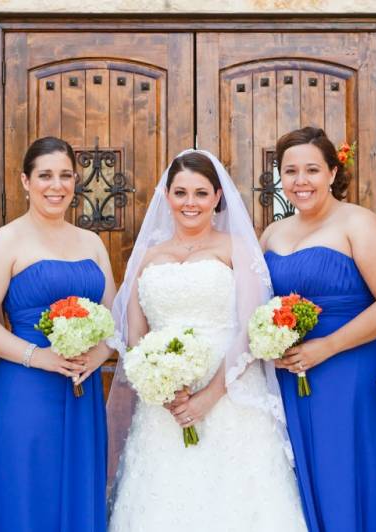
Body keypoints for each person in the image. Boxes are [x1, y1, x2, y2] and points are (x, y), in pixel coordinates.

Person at [107, 150, 306, 532]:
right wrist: (162, 388)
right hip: (165, 408)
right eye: (180, 193)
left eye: (200, 193)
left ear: (217, 197)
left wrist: (210, 396)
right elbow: (135, 335)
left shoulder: (237, 249)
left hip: (231, 398)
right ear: (167, 196)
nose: (190, 203)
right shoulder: (147, 255)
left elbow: (252, 328)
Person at [261, 126, 376, 531]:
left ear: (332, 172)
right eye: (290, 171)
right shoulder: (272, 233)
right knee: (301, 477)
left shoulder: (358, 223)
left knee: (345, 473)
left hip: (350, 371)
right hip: (292, 375)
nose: (300, 180)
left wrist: (326, 346)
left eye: (312, 169)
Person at [0, 137, 115, 532]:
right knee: (28, 490)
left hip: (83, 387)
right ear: (25, 181)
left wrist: (98, 356)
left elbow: (114, 319)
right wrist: (38, 356)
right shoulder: (6, 240)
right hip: (26, 387)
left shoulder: (92, 243)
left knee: (80, 486)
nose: (56, 185)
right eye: (45, 175)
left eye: (65, 175)